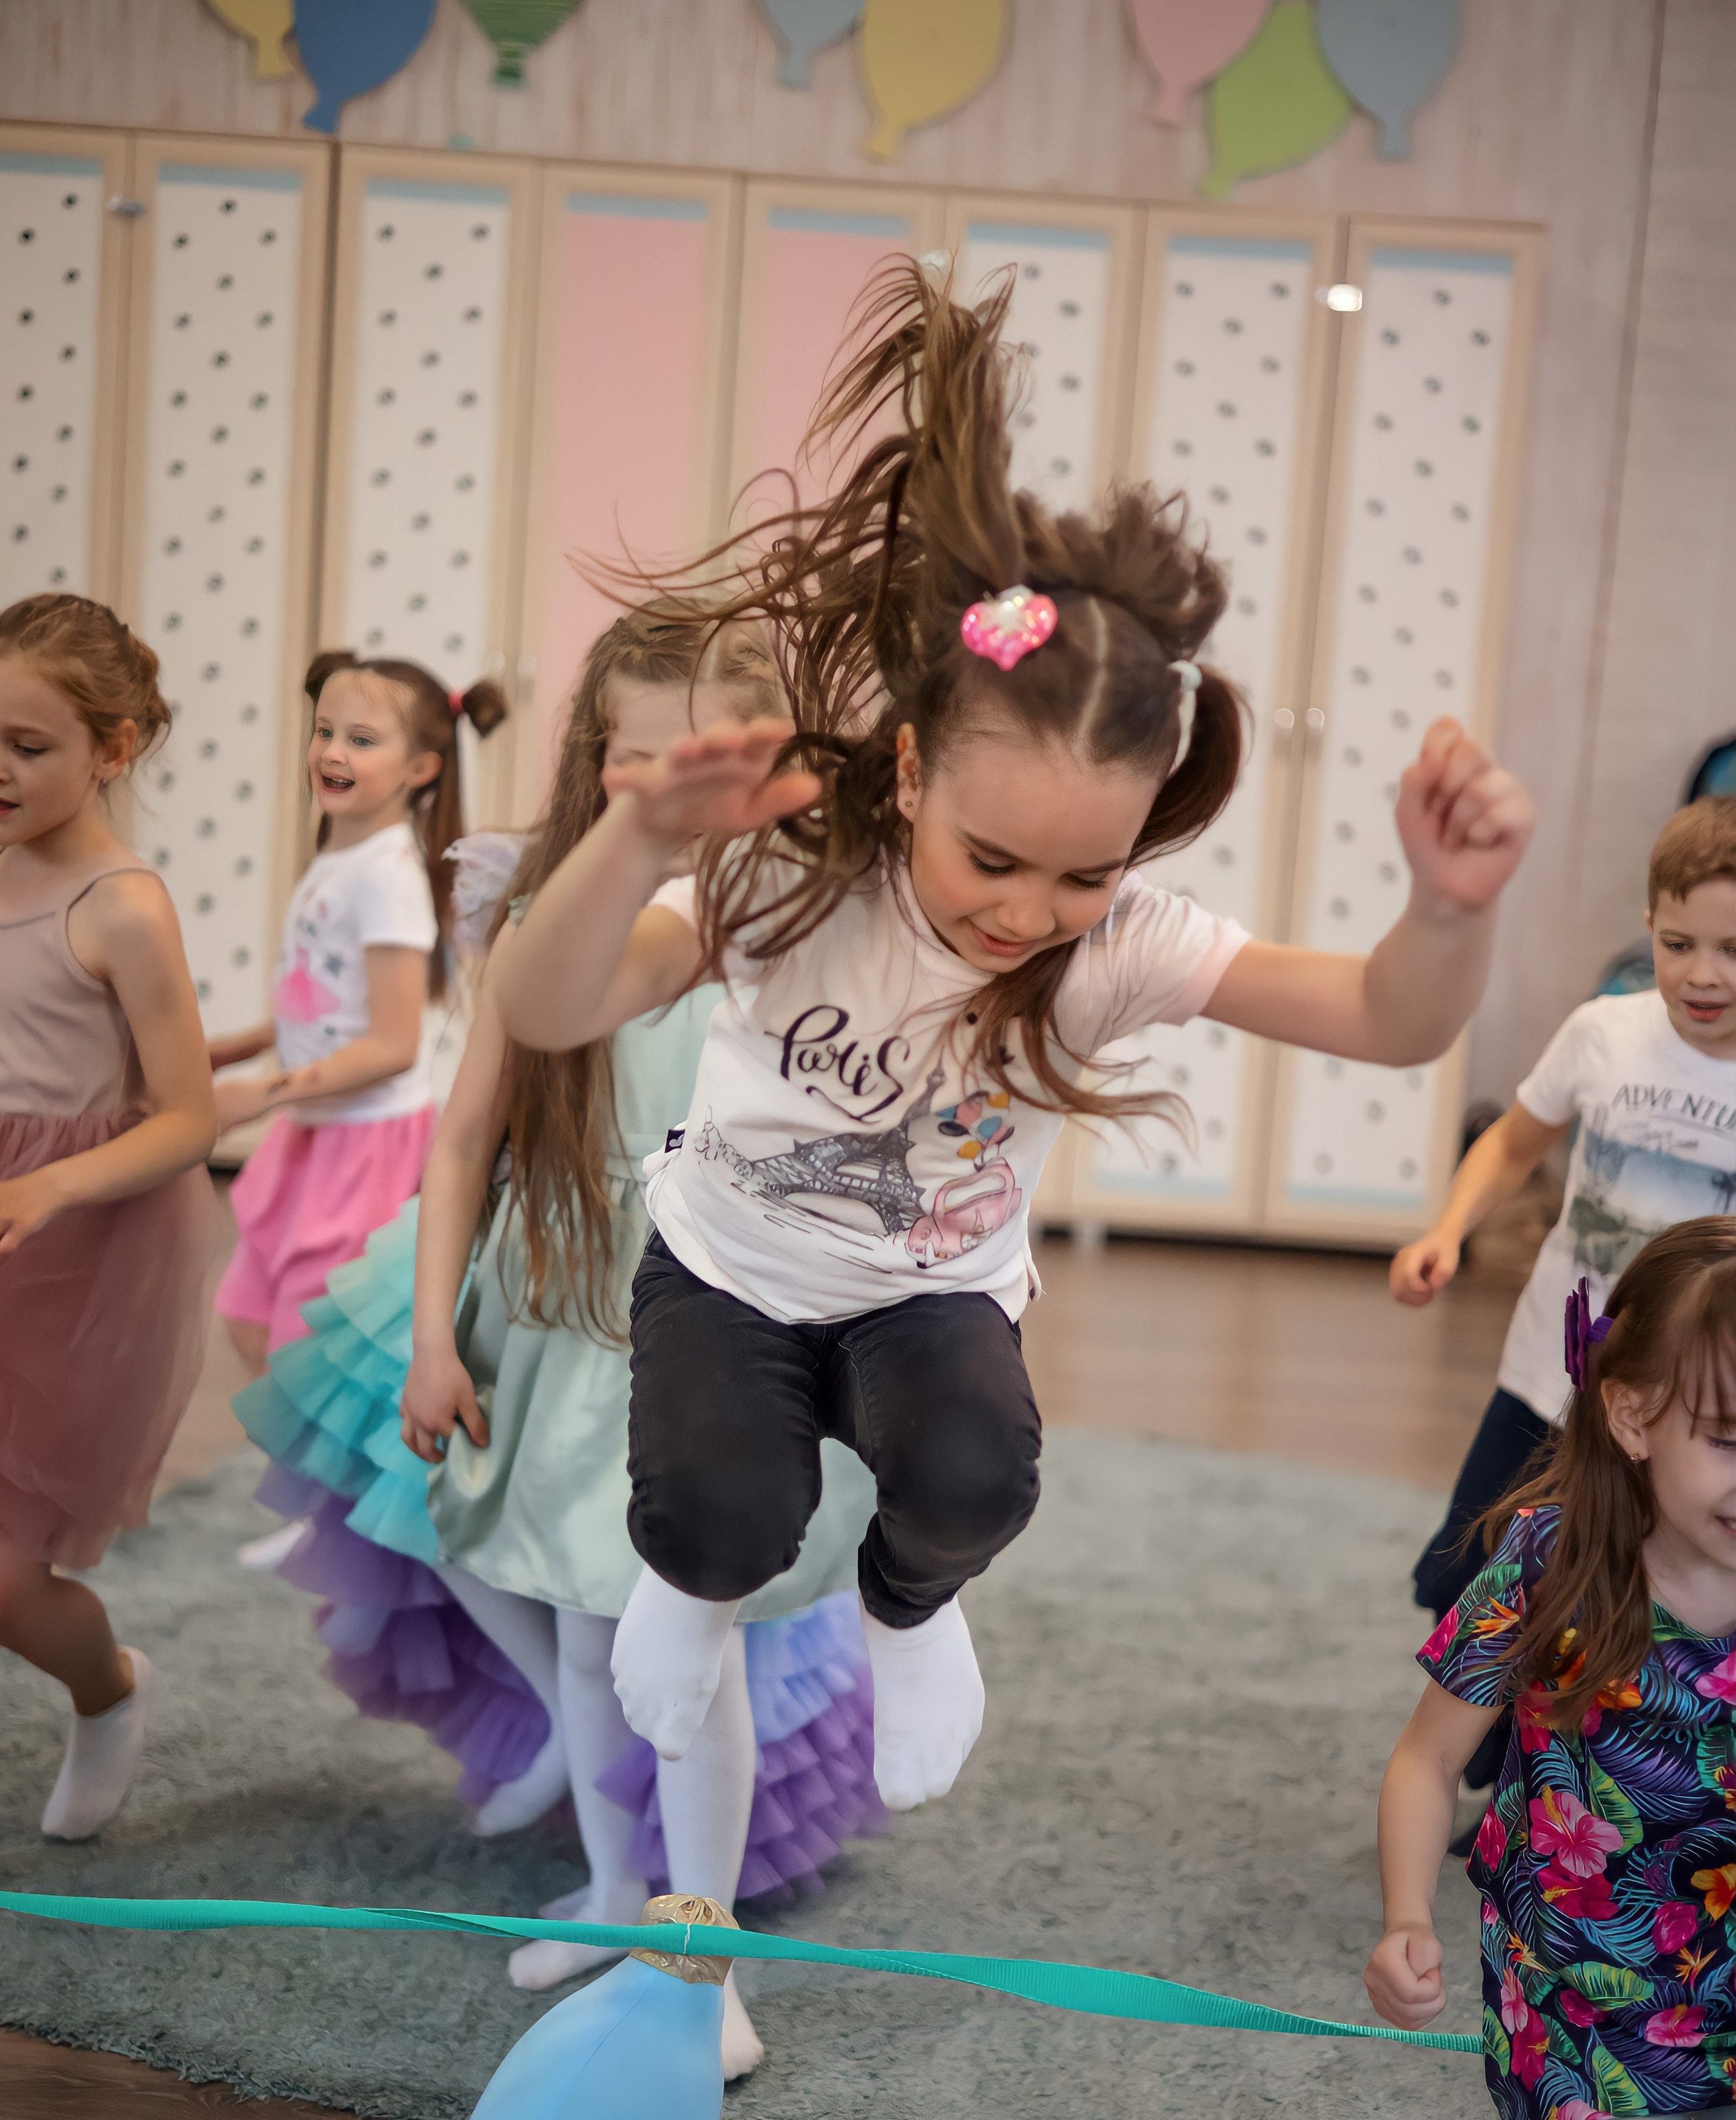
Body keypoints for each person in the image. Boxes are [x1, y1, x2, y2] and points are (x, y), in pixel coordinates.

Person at [494, 256, 1536, 1815]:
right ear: (908, 771)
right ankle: (693, 1592)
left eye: (1085, 870)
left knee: (977, 1472)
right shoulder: (798, 875)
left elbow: (1384, 1020)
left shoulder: (1113, 945)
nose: (1029, 911)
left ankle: (908, 1615)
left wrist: (1447, 912)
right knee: (719, 1508)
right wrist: (636, 848)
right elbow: (542, 1005)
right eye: (993, 860)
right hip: (731, 1266)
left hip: (930, 1291)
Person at [236, 607, 880, 2079]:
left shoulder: (806, 913)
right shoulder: (548, 910)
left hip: (715, 1312)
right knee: (559, 1612)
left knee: (668, 1635)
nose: (664, 792)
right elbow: (466, 1133)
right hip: (558, 1298)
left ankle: (691, 1938)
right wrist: (434, 1339)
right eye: (632, 760)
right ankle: (611, 1885)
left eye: (699, 762)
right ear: (599, 760)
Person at [1367, 1218, 1736, 2120]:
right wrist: (1407, 1913)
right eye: (1730, 1436)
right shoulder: (1549, 1564)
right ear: (1632, 1417)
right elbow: (1423, 1765)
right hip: (1586, 1981)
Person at [1394, 796, 1736, 1797]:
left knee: (1621, 1600)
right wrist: (1447, 1229)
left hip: (1674, 1414)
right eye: (1679, 943)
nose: (1704, 973)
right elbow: (1510, 1142)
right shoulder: (1605, 1033)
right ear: (1649, 928)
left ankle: (1569, 1786)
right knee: (1470, 1572)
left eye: (1731, 947)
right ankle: (1487, 1762)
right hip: (1551, 1372)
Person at [0, 594, 219, 1883]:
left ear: (112, 749)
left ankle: (109, 1684)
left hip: (64, 1268)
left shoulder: (125, 905)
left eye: (26, 745)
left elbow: (188, 1117)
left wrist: (48, 1190)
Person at [210, 652, 508, 1380]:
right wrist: (241, 1046)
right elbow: (332, 999)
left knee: (311, 1352)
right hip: (316, 1125)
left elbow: (392, 1045)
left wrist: (263, 1091)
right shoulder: (343, 855)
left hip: (364, 1141)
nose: (333, 752)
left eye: (362, 739)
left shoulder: (388, 878)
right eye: (325, 731)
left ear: (421, 770)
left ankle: (349, 1488)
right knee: (250, 1320)